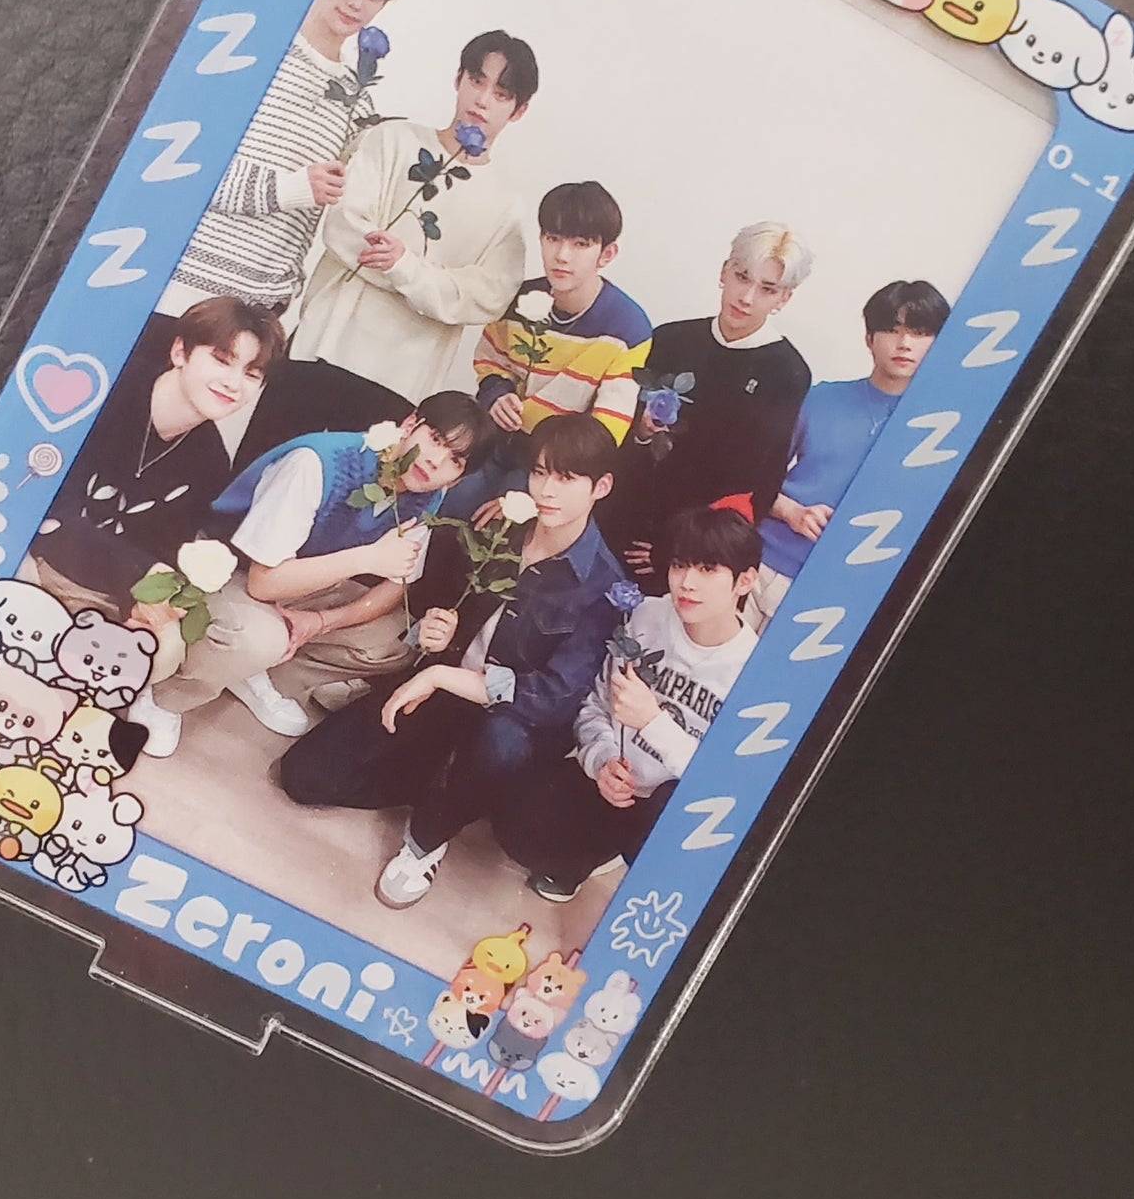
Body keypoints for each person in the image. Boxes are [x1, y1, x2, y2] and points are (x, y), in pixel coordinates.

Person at [277, 414, 624, 911]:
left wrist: (446, 675)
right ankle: (436, 780)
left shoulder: (602, 586)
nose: (547, 490)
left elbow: (554, 699)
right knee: (304, 776)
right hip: (442, 691)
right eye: (540, 472)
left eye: (566, 478)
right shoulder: (501, 524)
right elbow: (440, 595)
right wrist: (433, 632)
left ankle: (428, 836)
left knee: (503, 743)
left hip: (511, 721)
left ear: (601, 487)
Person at [127, 393, 493, 750]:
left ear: (457, 480)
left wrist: (320, 621)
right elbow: (262, 582)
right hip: (232, 568)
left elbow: (397, 583)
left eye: (455, 460)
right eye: (434, 439)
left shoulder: (428, 494)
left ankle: (260, 674)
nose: (434, 461)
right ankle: (166, 698)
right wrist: (365, 559)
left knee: (401, 639)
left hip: (306, 580)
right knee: (260, 639)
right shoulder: (317, 462)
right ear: (410, 423)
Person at [498, 506, 762, 902]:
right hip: (613, 780)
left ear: (745, 581)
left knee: (668, 812)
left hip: (671, 805)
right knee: (516, 830)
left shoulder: (754, 670)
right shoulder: (646, 616)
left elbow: (723, 786)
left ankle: (631, 862)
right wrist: (601, 760)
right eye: (679, 565)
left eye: (708, 569)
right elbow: (596, 705)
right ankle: (587, 857)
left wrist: (652, 721)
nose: (687, 583)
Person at [157, 0, 409, 320]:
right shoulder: (247, 53)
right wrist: (289, 188)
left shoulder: (358, 104)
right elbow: (185, 165)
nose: (356, 2)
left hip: (258, 318)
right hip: (180, 293)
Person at [284, 29, 538, 424]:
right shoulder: (392, 140)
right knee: (266, 461)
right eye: (476, 81)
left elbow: (488, 296)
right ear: (458, 79)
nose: (482, 100)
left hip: (403, 380)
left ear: (518, 111)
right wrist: (418, 281)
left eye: (501, 94)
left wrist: (405, 266)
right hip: (324, 345)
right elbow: (343, 225)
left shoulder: (507, 207)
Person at [25, 298, 285, 682]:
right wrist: (140, 573)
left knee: (161, 649)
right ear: (180, 352)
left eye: (251, 374)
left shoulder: (211, 459)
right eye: (221, 360)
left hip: (100, 583)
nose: (233, 383)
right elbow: (42, 512)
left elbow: (164, 547)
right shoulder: (108, 390)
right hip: (28, 551)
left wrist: (141, 606)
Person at [600, 221, 815, 591]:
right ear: (724, 272)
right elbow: (617, 431)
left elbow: (755, 484)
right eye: (742, 277)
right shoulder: (670, 339)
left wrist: (677, 551)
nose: (746, 297)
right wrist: (641, 432)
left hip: (688, 553)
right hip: (612, 517)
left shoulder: (787, 373)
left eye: (766, 289)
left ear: (783, 298)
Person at [752, 278, 949, 628]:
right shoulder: (820, 399)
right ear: (869, 339)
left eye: (920, 333)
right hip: (760, 564)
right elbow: (753, 475)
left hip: (837, 595)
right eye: (892, 330)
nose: (904, 343)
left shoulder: (939, 430)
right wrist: (791, 512)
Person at [472, 179, 653, 444]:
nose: (562, 255)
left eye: (580, 244)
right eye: (553, 239)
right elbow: (490, 360)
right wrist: (497, 394)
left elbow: (607, 429)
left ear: (606, 254)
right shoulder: (518, 300)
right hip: (496, 439)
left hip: (562, 457)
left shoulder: (627, 328)